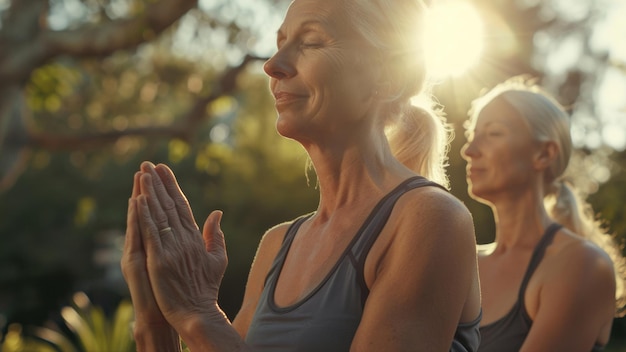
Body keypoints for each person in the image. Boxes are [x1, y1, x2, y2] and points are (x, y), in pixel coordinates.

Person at [120, 0, 483, 351]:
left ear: (388, 76)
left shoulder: (431, 219)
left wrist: (198, 313)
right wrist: (155, 315)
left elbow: (209, 331)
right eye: (280, 43)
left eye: (310, 41)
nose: (273, 65)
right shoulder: (277, 245)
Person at [461, 75, 626, 352]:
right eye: (472, 135)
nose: (469, 150)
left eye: (493, 133)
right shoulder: (462, 260)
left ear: (544, 154)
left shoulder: (583, 264)